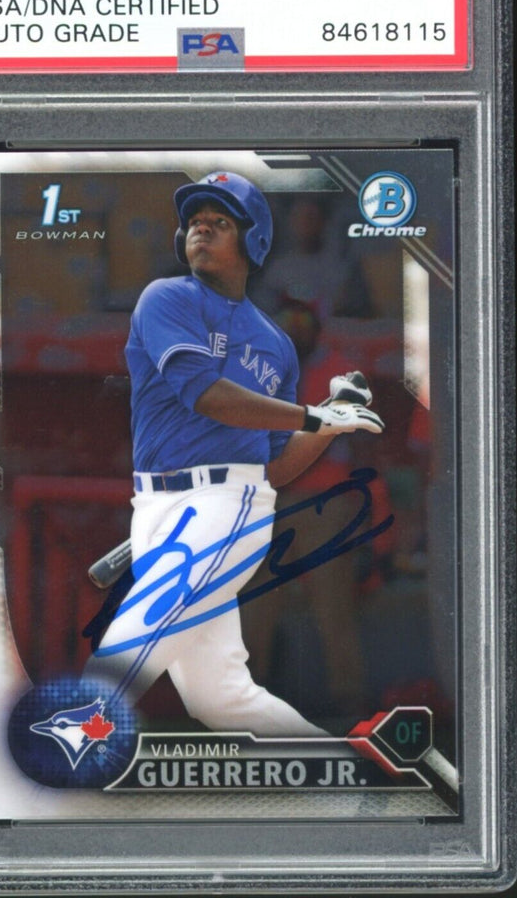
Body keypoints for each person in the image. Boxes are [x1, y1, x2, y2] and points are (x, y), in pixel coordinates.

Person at [84, 172, 384, 736]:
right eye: (195, 221)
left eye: (219, 222)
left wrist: (325, 428)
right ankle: (333, 770)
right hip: (155, 503)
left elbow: (275, 467)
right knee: (220, 697)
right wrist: (316, 419)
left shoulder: (275, 345)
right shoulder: (167, 298)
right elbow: (206, 394)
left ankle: (75, 729)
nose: (201, 228)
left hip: (229, 502)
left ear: (253, 241)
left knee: (145, 620)